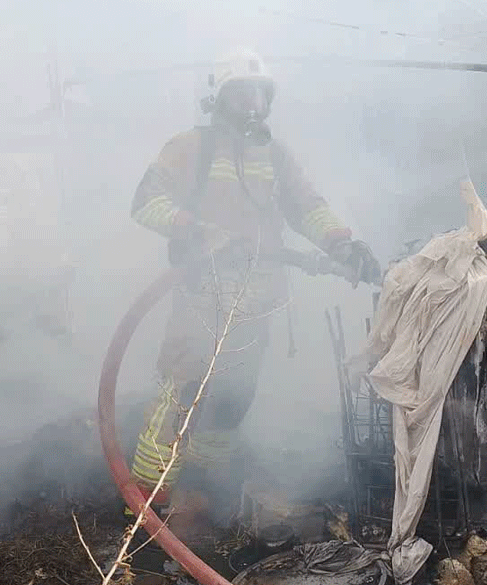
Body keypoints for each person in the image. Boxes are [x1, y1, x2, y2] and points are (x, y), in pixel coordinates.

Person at [129, 49, 380, 519]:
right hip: (204, 295)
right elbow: (145, 202)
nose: (254, 106)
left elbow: (308, 207)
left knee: (233, 399)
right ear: (220, 99)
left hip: (260, 299)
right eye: (243, 93)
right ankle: (147, 503)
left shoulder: (274, 156)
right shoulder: (191, 147)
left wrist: (342, 245)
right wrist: (196, 229)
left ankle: (201, 494)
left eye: (261, 95)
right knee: (182, 393)